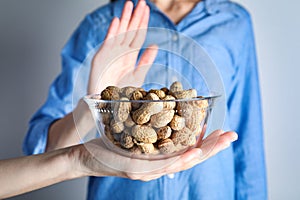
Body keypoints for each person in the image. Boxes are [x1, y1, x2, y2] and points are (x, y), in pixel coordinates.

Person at [23, 0, 267, 199]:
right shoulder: (102, 25)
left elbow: (247, 136)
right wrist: (94, 106)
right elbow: (43, 152)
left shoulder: (233, 23)